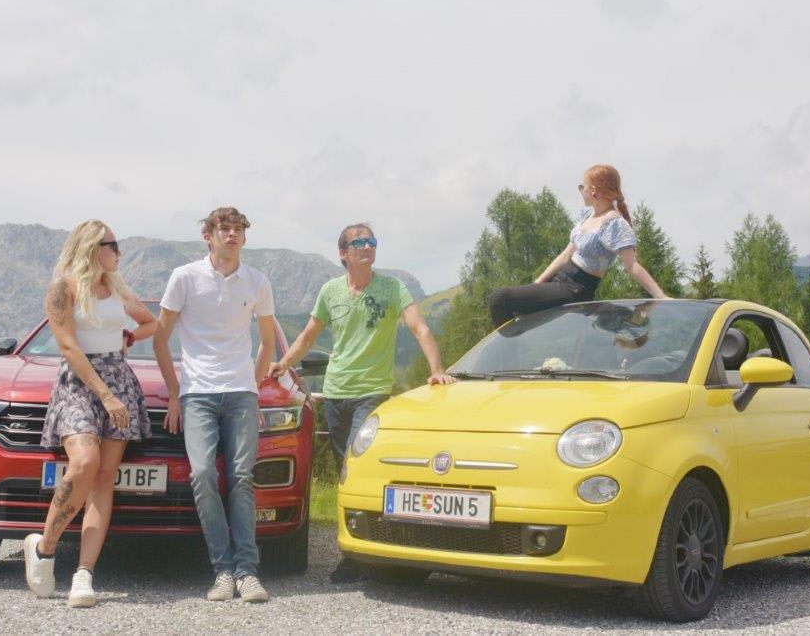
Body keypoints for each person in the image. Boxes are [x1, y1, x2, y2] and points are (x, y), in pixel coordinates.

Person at [267, 222, 456, 583]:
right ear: (344, 253)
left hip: (372, 393)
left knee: (357, 464)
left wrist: (437, 370)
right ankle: (355, 551)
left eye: (371, 241)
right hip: (336, 393)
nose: (367, 246)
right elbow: (308, 335)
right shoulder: (330, 290)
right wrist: (284, 364)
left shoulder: (392, 288)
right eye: (359, 243)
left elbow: (420, 328)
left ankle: (364, 554)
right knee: (346, 472)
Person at [23, 220, 156, 607]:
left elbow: (151, 322)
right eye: (114, 244)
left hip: (119, 379)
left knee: (103, 479)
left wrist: (130, 336)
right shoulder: (62, 288)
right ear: (93, 247)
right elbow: (67, 346)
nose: (119, 252)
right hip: (80, 384)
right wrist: (106, 396)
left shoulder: (117, 288)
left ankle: (84, 574)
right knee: (84, 463)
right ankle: (45, 549)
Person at [152, 207, 275, 603]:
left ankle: (247, 572)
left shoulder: (257, 281)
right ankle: (222, 570)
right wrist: (175, 393)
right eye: (224, 228)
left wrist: (254, 387)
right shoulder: (184, 277)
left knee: (241, 478)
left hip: (241, 393)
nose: (232, 234)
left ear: (245, 237)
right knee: (203, 474)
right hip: (197, 393)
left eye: (238, 229)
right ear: (208, 235)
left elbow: (268, 343)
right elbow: (160, 339)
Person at [488, 164, 668, 327]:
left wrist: (660, 296)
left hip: (575, 288)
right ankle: (514, 345)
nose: (581, 190)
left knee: (499, 298)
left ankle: (509, 349)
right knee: (518, 310)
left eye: (583, 187)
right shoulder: (588, 216)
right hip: (560, 280)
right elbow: (565, 256)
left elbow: (632, 266)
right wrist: (537, 284)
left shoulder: (614, 223)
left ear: (593, 191)